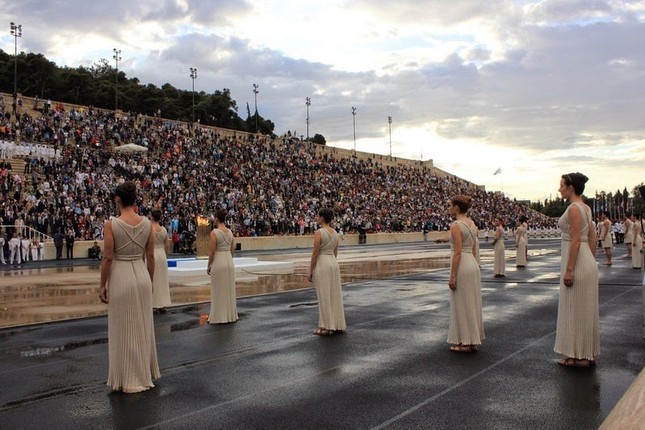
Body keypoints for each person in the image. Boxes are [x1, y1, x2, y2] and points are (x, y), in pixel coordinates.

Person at [98, 181, 160, 393]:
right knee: (142, 325)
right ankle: (143, 372)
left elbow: (107, 258)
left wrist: (102, 285)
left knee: (122, 326)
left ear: (118, 199)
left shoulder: (111, 224)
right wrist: (149, 280)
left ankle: (125, 377)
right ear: (134, 199)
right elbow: (150, 256)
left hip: (121, 274)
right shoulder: (147, 224)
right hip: (141, 273)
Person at [554, 172, 599, 367]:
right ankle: (584, 353)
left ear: (570, 187)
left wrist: (571, 268)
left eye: (562, 185)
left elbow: (574, 241)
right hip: (586, 260)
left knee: (574, 308)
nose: (559, 189)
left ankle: (576, 355)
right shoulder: (586, 208)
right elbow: (592, 238)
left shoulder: (574, 208)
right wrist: (589, 259)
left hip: (577, 260)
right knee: (584, 309)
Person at [447, 195, 484, 352]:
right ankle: (471, 339)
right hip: (472, 263)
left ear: (456, 207)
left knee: (462, 303)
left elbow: (457, 252)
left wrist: (453, 275)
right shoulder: (472, 224)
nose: (448, 208)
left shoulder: (456, 225)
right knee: (471, 302)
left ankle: (466, 342)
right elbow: (474, 248)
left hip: (462, 264)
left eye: (450, 205)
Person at [308, 207, 346, 336]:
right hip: (333, 263)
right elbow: (335, 252)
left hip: (323, 263)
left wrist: (310, 270)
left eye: (318, 216)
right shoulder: (335, 233)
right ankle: (337, 324)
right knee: (334, 295)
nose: (317, 218)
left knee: (324, 295)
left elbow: (315, 253)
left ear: (322, 218)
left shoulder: (319, 232)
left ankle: (325, 326)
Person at [206, 208, 238, 324]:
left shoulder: (214, 233)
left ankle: (219, 315)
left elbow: (212, 251)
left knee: (218, 288)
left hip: (219, 260)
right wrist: (230, 259)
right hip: (228, 260)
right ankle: (230, 314)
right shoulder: (230, 232)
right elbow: (232, 249)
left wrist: (209, 265)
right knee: (228, 288)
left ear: (217, 219)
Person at [150, 209, 171, 313]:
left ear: (152, 217)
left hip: (152, 253)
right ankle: (162, 304)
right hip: (161, 254)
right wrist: (165, 255)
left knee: (153, 278)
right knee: (162, 279)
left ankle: (153, 303)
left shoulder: (149, 229)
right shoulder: (163, 230)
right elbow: (166, 244)